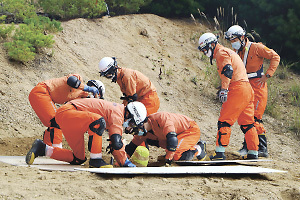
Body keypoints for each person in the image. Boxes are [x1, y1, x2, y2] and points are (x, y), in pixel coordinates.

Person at [197, 32, 259, 160]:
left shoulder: (221, 53)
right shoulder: (228, 51)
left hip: (237, 89)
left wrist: (224, 89)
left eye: (205, 49)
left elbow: (228, 70)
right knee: (247, 123)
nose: (204, 52)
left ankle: (220, 153)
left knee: (224, 121)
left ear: (212, 44)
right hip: (247, 88)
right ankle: (253, 152)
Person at [26, 98, 137, 168]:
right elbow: (117, 143)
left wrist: (122, 160)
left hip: (69, 116)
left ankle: (42, 149)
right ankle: (96, 159)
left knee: (78, 158)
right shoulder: (118, 113)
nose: (130, 126)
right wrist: (124, 162)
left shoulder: (117, 112)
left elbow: (115, 143)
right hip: (69, 112)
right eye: (132, 123)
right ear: (129, 115)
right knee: (98, 122)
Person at [224, 25, 280, 157]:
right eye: (231, 41)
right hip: (245, 87)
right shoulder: (236, 51)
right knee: (246, 118)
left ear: (242, 37)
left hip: (258, 87)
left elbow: (275, 57)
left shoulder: (257, 48)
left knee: (255, 118)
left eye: (234, 40)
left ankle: (262, 149)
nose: (233, 43)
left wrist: (267, 75)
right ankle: (249, 146)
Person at [28, 74, 104, 148]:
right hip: (42, 91)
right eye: (96, 94)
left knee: (55, 123)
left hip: (46, 96)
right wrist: (87, 88)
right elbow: (71, 80)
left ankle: (45, 148)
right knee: (57, 121)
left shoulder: (79, 97)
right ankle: (57, 151)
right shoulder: (78, 79)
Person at [123, 102, 208, 166]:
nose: (130, 129)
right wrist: (121, 160)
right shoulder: (143, 132)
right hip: (175, 135)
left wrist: (168, 160)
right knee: (154, 141)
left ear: (139, 121)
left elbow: (172, 140)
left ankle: (198, 148)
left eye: (131, 125)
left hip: (190, 130)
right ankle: (178, 150)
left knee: (177, 157)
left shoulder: (162, 119)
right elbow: (131, 147)